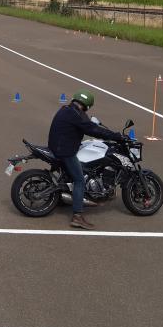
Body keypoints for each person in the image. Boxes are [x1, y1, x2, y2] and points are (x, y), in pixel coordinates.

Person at [47, 90, 127, 230]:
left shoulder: (66, 109)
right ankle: (77, 216)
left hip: (56, 146)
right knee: (79, 180)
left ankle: (63, 198)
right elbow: (93, 130)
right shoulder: (77, 115)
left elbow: (89, 127)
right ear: (87, 106)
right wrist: (116, 136)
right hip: (64, 150)